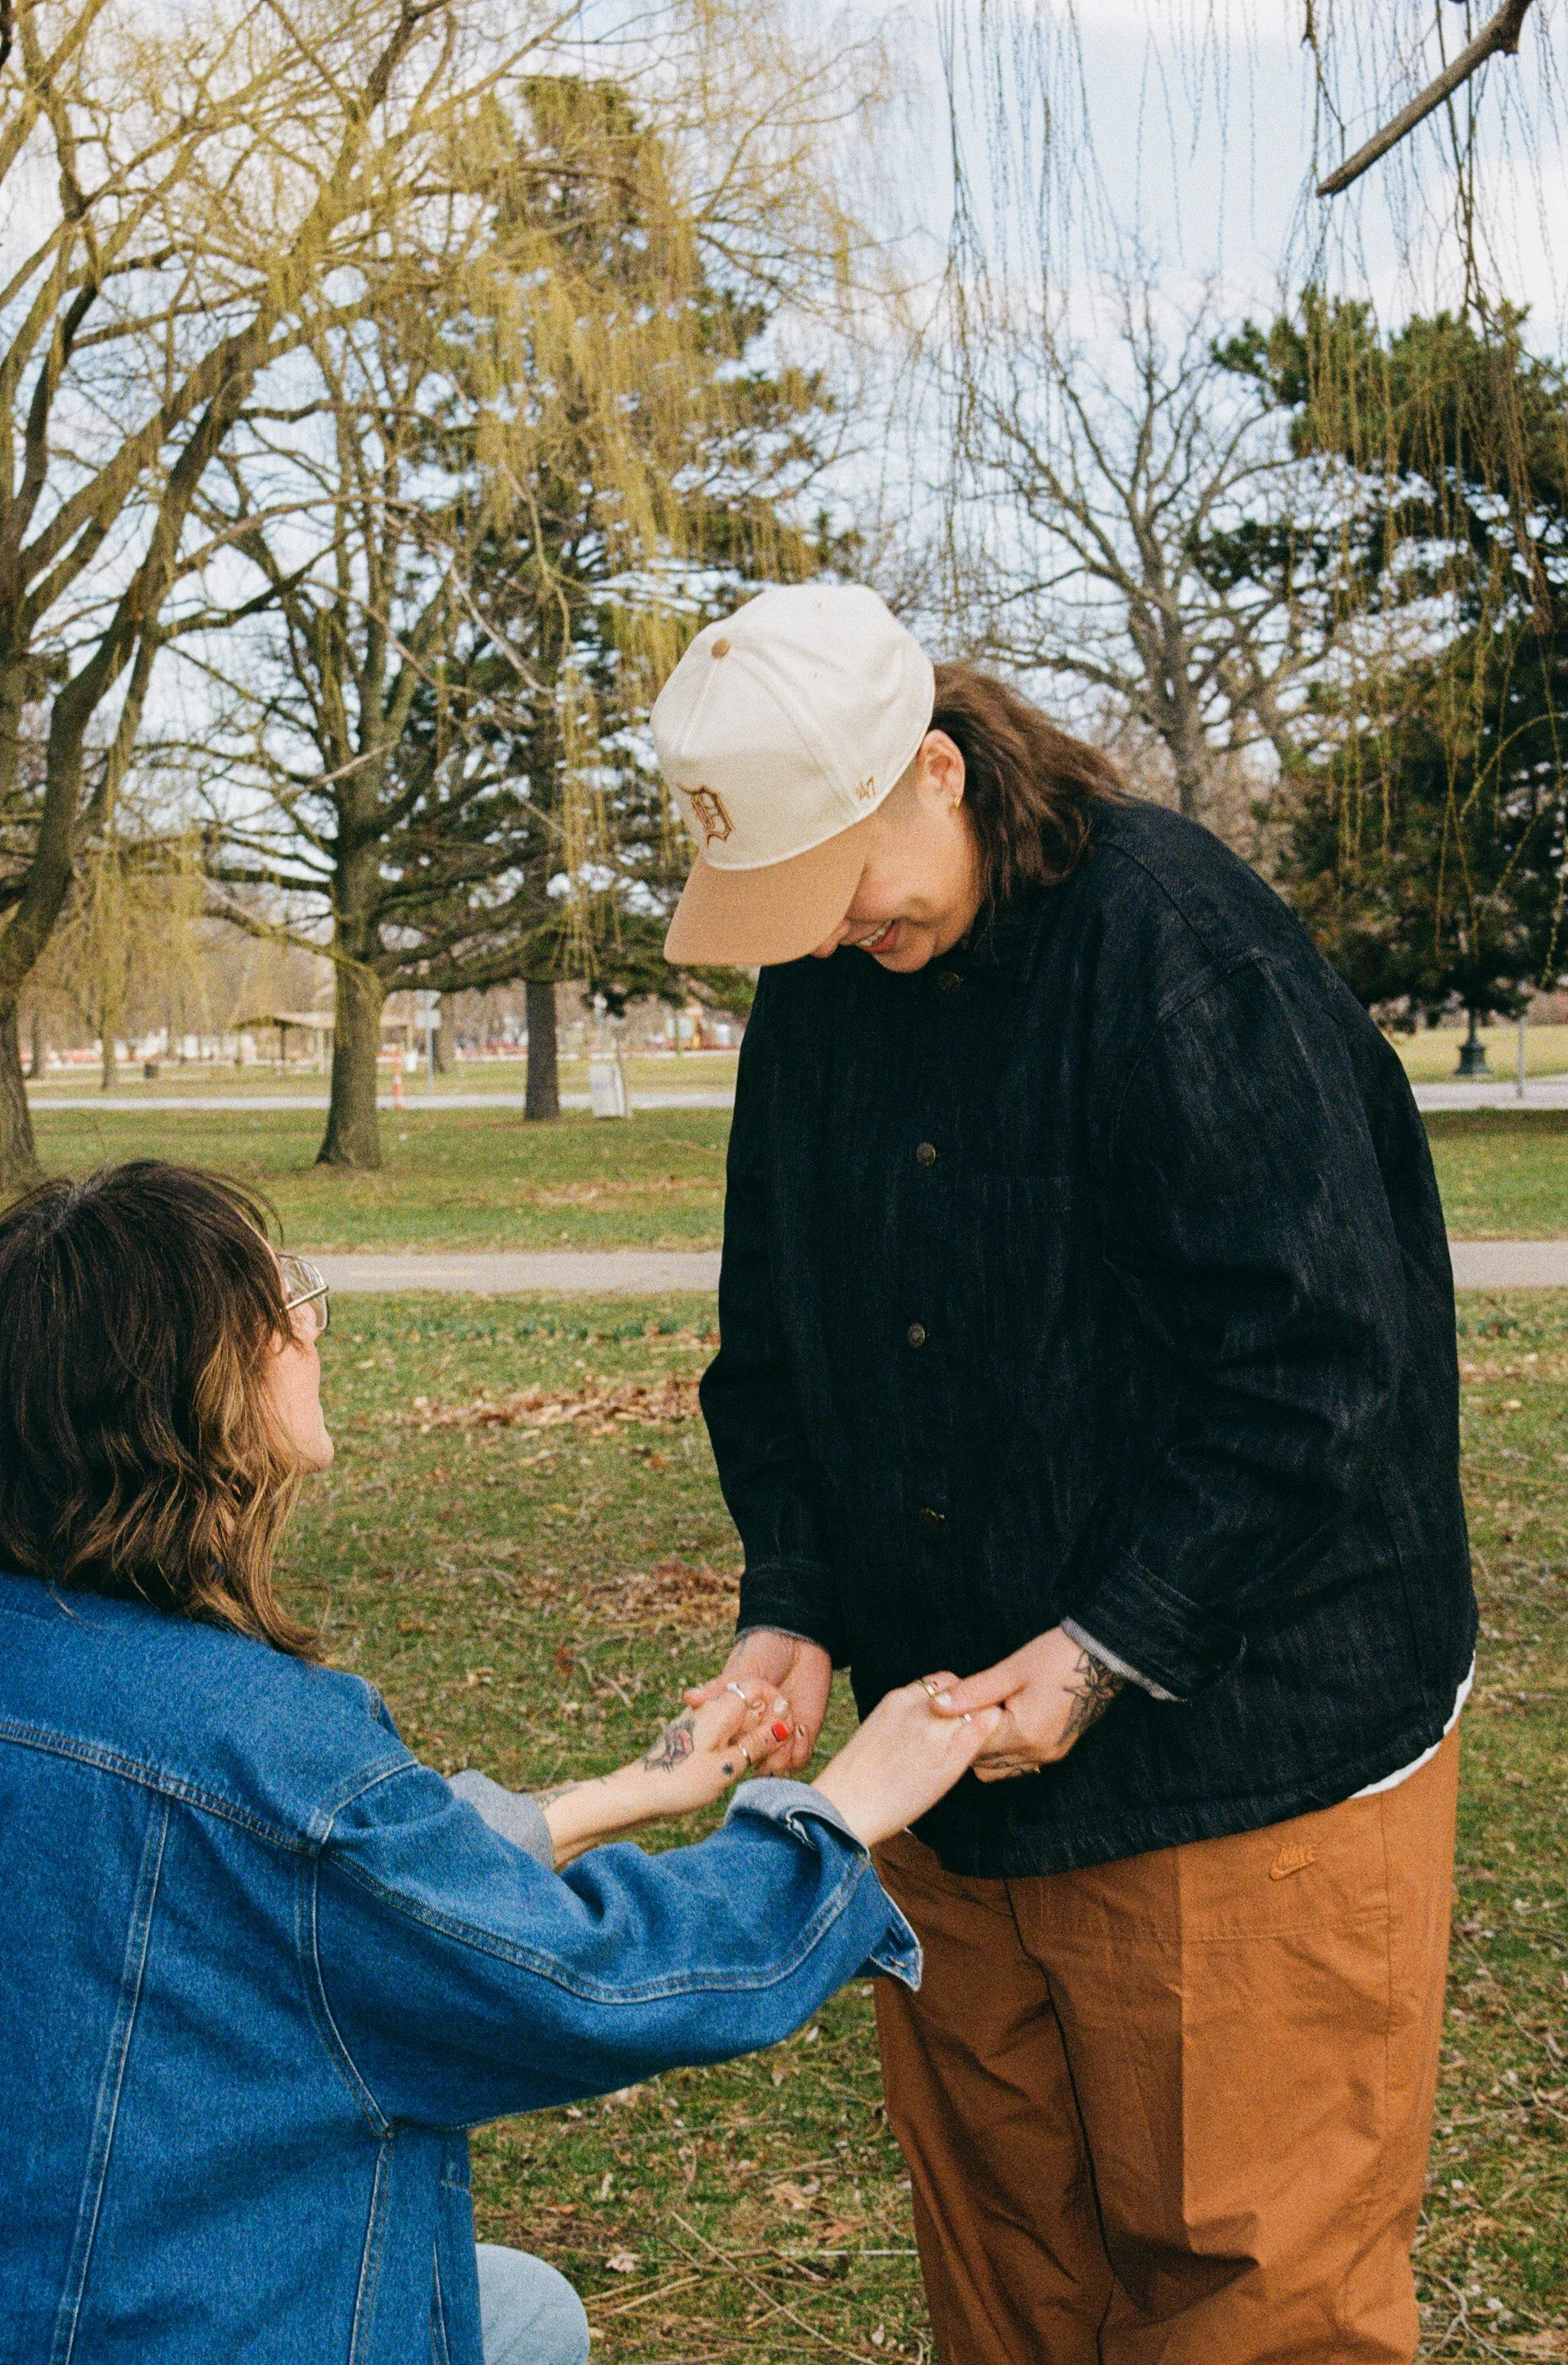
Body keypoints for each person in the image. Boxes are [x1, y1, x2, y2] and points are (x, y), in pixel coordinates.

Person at [657, 583, 1478, 2365]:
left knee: (1249, 2294)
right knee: (1012, 2282)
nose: (824, 933)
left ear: (936, 772)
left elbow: (1325, 1366)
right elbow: (778, 1339)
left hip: (1235, 1761)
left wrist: (1108, 1644)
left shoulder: (1181, 950)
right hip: (954, 1772)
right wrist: (794, 1603)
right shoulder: (825, 979)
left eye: (839, 885)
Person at [0, 1160, 1002, 2365]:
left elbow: (312, 1899)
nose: (313, 1322)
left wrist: (631, 1793)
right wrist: (837, 1814)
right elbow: (586, 1984)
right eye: (282, 1298)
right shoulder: (261, 1745)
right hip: (192, 2317)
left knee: (522, 2309)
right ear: (175, 1389)